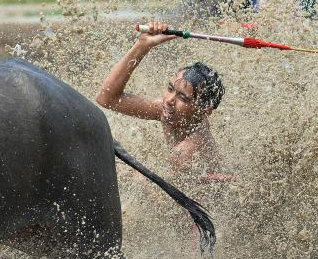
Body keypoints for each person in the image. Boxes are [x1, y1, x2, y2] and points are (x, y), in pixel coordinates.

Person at [95, 22, 229, 181]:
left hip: (207, 195)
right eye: (170, 89)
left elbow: (175, 171)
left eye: (183, 98)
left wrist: (133, 176)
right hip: (185, 186)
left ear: (204, 111)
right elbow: (107, 98)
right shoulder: (166, 109)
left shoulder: (199, 135)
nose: (170, 100)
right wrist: (142, 45)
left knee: (136, 176)